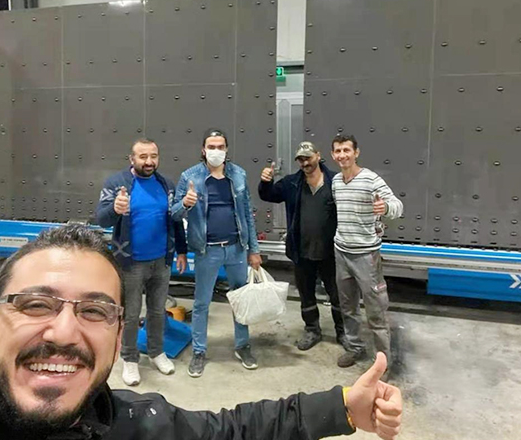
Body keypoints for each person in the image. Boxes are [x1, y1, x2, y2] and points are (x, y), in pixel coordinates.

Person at [0, 225, 402, 440]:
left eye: (94, 311)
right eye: (36, 304)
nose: (64, 331)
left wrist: (342, 408)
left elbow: (230, 431)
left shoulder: (134, 422)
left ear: (120, 333)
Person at [172, 128, 263, 378]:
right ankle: (199, 351)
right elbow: (174, 213)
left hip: (236, 249)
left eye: (220, 147)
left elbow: (247, 214)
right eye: (211, 147)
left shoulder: (238, 174)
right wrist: (186, 203)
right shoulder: (189, 176)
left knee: (240, 300)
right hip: (207, 251)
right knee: (201, 303)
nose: (216, 151)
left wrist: (254, 249)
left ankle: (242, 346)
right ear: (203, 150)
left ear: (226, 149)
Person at [96, 138, 187, 386]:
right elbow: (102, 219)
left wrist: (181, 250)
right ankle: (130, 358)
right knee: (131, 314)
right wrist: (115, 209)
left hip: (162, 261)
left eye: (153, 156)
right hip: (131, 263)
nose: (149, 161)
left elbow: (176, 220)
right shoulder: (117, 184)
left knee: (157, 311)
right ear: (132, 159)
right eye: (143, 156)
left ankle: (157, 352)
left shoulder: (166, 185)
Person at [258, 141, 346, 351]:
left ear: (318, 156)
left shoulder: (336, 181)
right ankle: (312, 330)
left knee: (338, 295)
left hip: (331, 252)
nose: (305, 163)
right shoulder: (292, 183)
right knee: (306, 294)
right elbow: (268, 195)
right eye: (301, 159)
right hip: (301, 250)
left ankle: (343, 332)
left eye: (308, 158)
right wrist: (266, 182)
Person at [330, 135, 404, 369]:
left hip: (366, 256)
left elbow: (398, 206)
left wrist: (386, 207)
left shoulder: (371, 179)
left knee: (376, 311)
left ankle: (382, 363)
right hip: (341, 253)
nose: (342, 155)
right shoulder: (336, 181)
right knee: (348, 307)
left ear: (356, 153)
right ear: (333, 155)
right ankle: (354, 347)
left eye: (346, 150)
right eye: (338, 151)